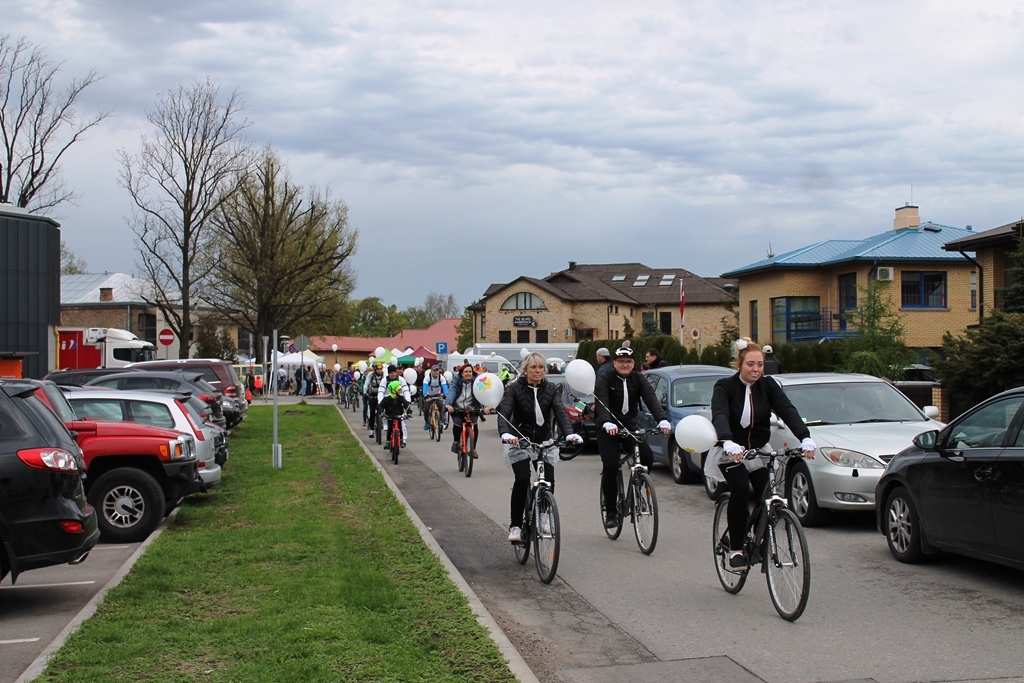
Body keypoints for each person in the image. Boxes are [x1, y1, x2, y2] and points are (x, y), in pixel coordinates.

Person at [708, 339, 816, 571]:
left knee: (766, 492)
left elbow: (787, 409)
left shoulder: (768, 386)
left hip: (758, 451)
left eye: (760, 364)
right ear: (739, 364)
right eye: (750, 364)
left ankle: (758, 536)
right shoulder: (724, 386)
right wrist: (727, 440)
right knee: (739, 488)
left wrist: (804, 437)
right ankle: (736, 548)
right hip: (731, 451)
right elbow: (719, 413)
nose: (756, 369)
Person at [497, 352, 583, 543]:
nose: (538, 371)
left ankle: (543, 515)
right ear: (525, 369)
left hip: (544, 442)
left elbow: (560, 412)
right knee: (522, 479)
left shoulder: (551, 389)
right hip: (519, 441)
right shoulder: (515, 389)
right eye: (534, 367)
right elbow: (504, 413)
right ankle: (516, 526)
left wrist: (568, 433)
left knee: (548, 482)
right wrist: (506, 434)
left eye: (541, 367)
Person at [594, 346, 672, 529]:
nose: (625, 365)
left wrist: (663, 420)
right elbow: (601, 402)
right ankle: (612, 511)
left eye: (628, 361)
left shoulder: (639, 378)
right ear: (615, 363)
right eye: (621, 361)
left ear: (633, 363)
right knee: (611, 465)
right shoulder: (605, 378)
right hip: (608, 429)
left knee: (647, 457)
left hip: (630, 428)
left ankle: (637, 491)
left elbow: (651, 399)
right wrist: (606, 422)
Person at [445, 363, 489, 457]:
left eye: (470, 371)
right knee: (457, 425)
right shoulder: (456, 380)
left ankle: (473, 449)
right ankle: (456, 442)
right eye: (466, 372)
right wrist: (448, 404)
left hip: (472, 407)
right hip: (458, 407)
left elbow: (483, 392)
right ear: (461, 373)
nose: (468, 373)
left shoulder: (477, 381)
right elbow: (452, 391)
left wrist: (487, 406)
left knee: (474, 426)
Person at [377, 365, 411, 447]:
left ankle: (403, 439)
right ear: (388, 373)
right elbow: (381, 391)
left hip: (398, 400)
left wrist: (408, 400)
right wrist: (380, 400)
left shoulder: (400, 379)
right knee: (388, 421)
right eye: (391, 373)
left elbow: (405, 390)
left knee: (402, 423)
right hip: (388, 400)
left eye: (394, 372)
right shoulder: (385, 380)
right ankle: (388, 441)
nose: (393, 374)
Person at [421, 365, 448, 431]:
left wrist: (445, 394)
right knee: (426, 409)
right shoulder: (427, 378)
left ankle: (441, 420)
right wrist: (425, 396)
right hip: (428, 395)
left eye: (437, 370)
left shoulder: (441, 378)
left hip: (437, 394)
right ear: (431, 371)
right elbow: (424, 388)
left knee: (441, 405)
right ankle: (427, 422)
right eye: (434, 371)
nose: (436, 372)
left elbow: (444, 388)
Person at [364, 363, 386, 436]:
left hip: (381, 394)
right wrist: (365, 392)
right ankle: (371, 429)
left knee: (383, 410)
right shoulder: (371, 375)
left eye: (380, 369)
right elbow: (366, 383)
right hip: (372, 395)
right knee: (372, 412)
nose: (379, 371)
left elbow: (387, 384)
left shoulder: (384, 375)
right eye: (378, 369)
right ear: (375, 369)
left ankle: (383, 422)